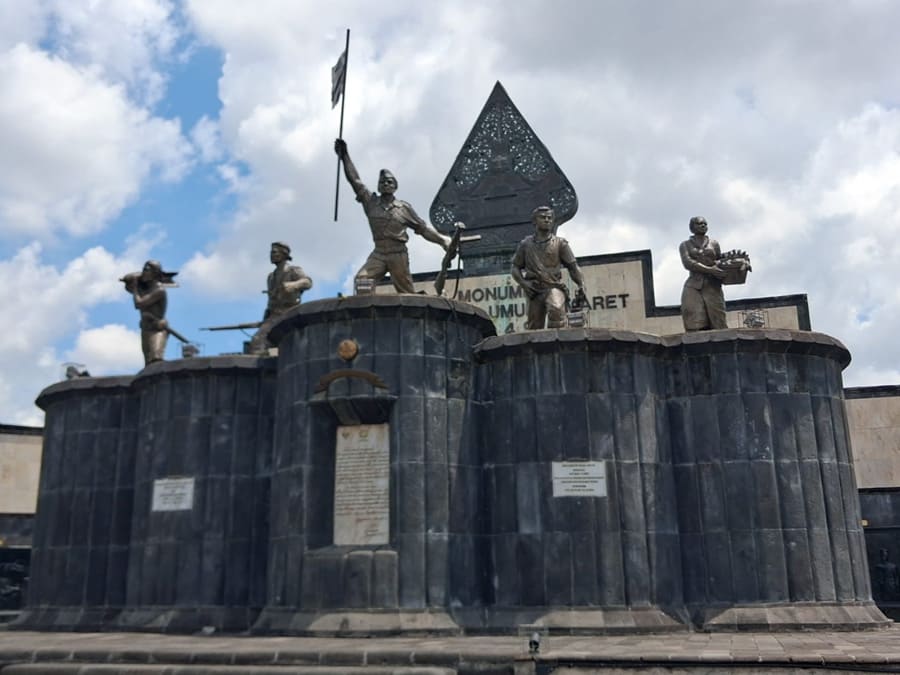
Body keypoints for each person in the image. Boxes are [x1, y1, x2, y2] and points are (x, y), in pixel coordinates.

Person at [334, 138, 448, 293]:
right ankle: (370, 306)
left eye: (389, 182)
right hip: (379, 253)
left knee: (407, 294)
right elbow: (355, 180)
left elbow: (423, 229)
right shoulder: (371, 202)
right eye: (382, 182)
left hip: (398, 254)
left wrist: (442, 241)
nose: (386, 184)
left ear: (395, 187)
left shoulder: (404, 208)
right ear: (378, 186)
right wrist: (344, 156)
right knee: (362, 280)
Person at [511, 205, 586, 329]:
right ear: (534, 221)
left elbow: (573, 267)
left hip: (553, 286)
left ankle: (557, 341)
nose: (547, 220)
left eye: (549, 218)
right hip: (534, 289)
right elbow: (515, 268)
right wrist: (524, 284)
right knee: (534, 326)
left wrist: (581, 284)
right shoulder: (526, 244)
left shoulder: (560, 243)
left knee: (556, 310)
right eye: (543, 217)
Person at [248, 242, 313, 354]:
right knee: (257, 341)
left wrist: (293, 285)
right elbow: (270, 301)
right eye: (271, 252)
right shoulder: (271, 277)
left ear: (284, 254)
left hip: (290, 312)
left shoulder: (293, 270)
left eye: (274, 252)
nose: (271, 255)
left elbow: (308, 282)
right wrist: (265, 320)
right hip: (274, 315)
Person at [679, 216, 728, 331]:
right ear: (692, 227)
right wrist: (710, 269)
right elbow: (688, 263)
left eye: (705, 224)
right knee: (692, 317)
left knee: (718, 320)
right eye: (699, 224)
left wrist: (738, 261)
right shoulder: (685, 245)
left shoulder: (714, 243)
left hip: (712, 285)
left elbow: (720, 260)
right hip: (693, 285)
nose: (703, 226)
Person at [123, 260, 175, 365]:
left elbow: (139, 304)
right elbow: (128, 279)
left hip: (157, 329)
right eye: (143, 270)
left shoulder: (159, 290)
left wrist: (135, 288)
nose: (143, 272)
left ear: (154, 273)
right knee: (148, 363)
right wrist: (138, 278)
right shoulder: (143, 289)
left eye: (146, 270)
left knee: (155, 359)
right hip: (146, 328)